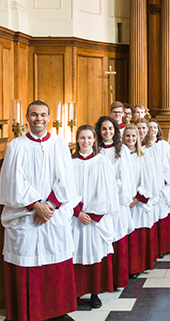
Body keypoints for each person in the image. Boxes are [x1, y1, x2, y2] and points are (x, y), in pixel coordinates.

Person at [0, 100, 79, 321]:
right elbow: (13, 181)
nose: (38, 119)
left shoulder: (60, 144)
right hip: (26, 215)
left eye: (43, 115)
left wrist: (50, 206)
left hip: (53, 215)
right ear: (27, 117)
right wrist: (36, 205)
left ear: (49, 117)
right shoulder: (16, 145)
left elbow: (67, 179)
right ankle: (26, 312)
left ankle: (57, 312)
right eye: (34, 115)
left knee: (55, 263)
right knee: (27, 261)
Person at [71, 125, 118, 311]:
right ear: (77, 140)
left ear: (94, 140)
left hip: (95, 219)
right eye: (82, 138)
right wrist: (77, 212)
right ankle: (74, 293)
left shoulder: (102, 162)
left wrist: (90, 214)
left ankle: (94, 293)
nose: (86, 141)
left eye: (89, 138)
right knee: (74, 254)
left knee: (94, 253)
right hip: (75, 218)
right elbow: (64, 190)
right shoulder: (70, 162)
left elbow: (107, 191)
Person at [95, 116, 134, 288]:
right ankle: (104, 281)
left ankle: (117, 279)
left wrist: (115, 193)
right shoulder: (95, 150)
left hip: (118, 202)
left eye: (110, 128)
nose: (107, 132)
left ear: (115, 131)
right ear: (99, 131)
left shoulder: (122, 150)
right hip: (99, 203)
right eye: (103, 129)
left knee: (117, 239)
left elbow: (126, 177)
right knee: (102, 241)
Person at [122, 124, 159, 276]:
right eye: (127, 136)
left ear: (137, 138)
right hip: (123, 203)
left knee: (137, 235)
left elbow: (148, 182)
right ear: (123, 138)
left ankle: (136, 267)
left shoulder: (143, 157)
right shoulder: (120, 157)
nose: (130, 139)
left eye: (133, 136)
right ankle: (124, 268)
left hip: (137, 204)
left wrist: (136, 199)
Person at [148, 118, 170, 256]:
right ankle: (153, 248)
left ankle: (163, 247)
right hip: (148, 187)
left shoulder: (164, 145)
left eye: (154, 127)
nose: (152, 130)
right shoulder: (142, 147)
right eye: (149, 127)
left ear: (158, 130)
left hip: (163, 186)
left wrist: (163, 181)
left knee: (162, 214)